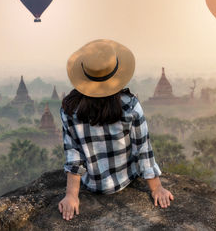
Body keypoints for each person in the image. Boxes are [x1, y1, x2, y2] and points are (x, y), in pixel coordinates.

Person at [58, 39, 174, 221]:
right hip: (125, 180)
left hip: (93, 184)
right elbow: (142, 151)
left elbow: (74, 155)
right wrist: (156, 188)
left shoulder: (70, 109)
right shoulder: (130, 105)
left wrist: (72, 195)